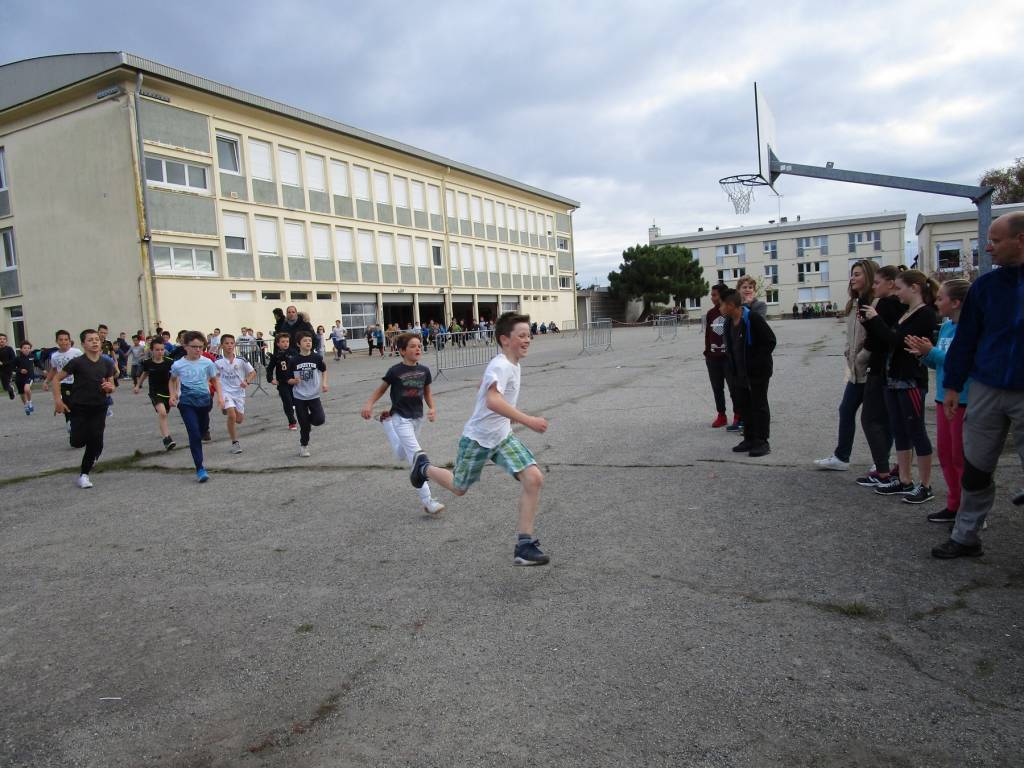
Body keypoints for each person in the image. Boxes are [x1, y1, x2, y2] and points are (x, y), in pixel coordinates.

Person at [409, 312, 551, 566]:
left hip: (501, 437)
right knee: (459, 488)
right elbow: (493, 400)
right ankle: (424, 467)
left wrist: (484, 385)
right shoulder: (502, 365)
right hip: (477, 439)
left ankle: (524, 545)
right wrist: (528, 420)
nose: (527, 340)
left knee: (534, 478)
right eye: (522, 335)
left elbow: (489, 390)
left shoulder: (509, 364)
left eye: (529, 335)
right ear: (505, 339)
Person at [932, 212, 1024, 558]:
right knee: (975, 466)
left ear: (1021, 240)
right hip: (987, 387)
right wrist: (953, 385)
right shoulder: (986, 287)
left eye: (996, 241)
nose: (988, 248)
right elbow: (966, 339)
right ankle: (966, 536)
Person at [861, 269, 940, 504]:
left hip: (910, 380)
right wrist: (871, 324)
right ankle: (904, 479)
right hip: (893, 378)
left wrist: (875, 318)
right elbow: (887, 338)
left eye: (899, 287)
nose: (897, 292)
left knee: (916, 430)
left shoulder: (924, 315)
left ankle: (925, 484)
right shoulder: (906, 313)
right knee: (899, 430)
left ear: (914, 288)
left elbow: (897, 340)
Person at [905, 278, 971, 524]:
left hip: (964, 400)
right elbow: (939, 362)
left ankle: (970, 509)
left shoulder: (970, 329)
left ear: (955, 303)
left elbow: (961, 360)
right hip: (943, 398)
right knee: (945, 454)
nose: (936, 301)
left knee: (962, 457)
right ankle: (954, 505)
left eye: (941, 298)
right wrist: (924, 355)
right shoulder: (945, 328)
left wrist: (931, 352)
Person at [361, 332, 445, 515]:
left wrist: (432, 408)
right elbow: (380, 390)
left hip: (417, 417)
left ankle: (386, 424)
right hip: (400, 416)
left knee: (402, 454)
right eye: (413, 346)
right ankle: (428, 500)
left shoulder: (424, 370)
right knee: (416, 457)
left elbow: (427, 393)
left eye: (419, 345)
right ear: (402, 351)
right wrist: (369, 404)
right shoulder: (395, 371)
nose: (418, 348)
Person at [814, 259, 877, 470]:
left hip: (870, 370)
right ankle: (841, 457)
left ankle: (882, 463)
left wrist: (862, 356)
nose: (853, 278)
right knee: (846, 410)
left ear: (869, 276)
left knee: (873, 418)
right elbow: (852, 335)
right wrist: (848, 353)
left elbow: (876, 337)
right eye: (852, 273)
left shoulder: (875, 304)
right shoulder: (855, 304)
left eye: (858, 274)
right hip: (855, 370)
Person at [855, 265, 904, 487]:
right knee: (886, 420)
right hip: (887, 370)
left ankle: (883, 471)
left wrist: (870, 322)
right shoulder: (902, 306)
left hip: (881, 370)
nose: (874, 287)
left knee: (871, 419)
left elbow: (882, 340)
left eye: (877, 283)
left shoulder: (886, 305)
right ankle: (889, 469)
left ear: (890, 284)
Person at [51, 329, 116, 488]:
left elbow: (111, 385)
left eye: (96, 339)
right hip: (79, 407)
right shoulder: (77, 362)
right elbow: (56, 379)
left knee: (96, 437)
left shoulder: (107, 362)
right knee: (77, 441)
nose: (94, 342)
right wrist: (58, 401)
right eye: (90, 340)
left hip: (99, 406)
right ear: (83, 344)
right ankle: (90, 447)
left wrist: (110, 387)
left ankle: (84, 475)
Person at [720, 288, 776, 457]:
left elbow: (770, 341)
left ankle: (762, 441)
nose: (720, 308)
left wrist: (755, 363)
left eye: (722, 304)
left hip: (757, 372)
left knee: (759, 406)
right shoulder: (728, 322)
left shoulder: (752, 318)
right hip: (739, 372)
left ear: (730, 305)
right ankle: (749, 438)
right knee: (745, 406)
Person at [169, 331, 222, 483]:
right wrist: (172, 395)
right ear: (185, 346)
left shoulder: (207, 363)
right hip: (186, 403)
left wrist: (221, 398)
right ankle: (200, 468)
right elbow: (172, 380)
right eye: (194, 347)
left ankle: (204, 429)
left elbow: (215, 380)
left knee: (202, 428)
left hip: (204, 401)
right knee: (194, 434)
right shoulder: (178, 364)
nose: (198, 350)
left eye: (200, 347)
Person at [286, 330, 328, 457]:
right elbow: (288, 379)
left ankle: (305, 421)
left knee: (320, 419)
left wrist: (324, 383)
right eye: (305, 340)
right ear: (298, 344)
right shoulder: (294, 360)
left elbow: (324, 370)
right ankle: (304, 446)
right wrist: (294, 380)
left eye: (309, 340)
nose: (308, 342)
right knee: (304, 426)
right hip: (299, 396)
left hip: (314, 394)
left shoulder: (317, 358)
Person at [703, 283, 737, 429]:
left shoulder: (729, 312)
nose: (712, 298)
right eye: (711, 295)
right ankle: (721, 415)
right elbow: (708, 335)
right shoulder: (710, 313)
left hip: (727, 358)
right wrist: (707, 352)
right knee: (717, 388)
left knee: (733, 388)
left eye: (714, 295)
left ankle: (738, 415)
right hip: (712, 358)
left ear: (722, 297)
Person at [216, 334, 256, 454]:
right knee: (232, 416)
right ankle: (235, 443)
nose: (229, 345)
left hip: (238, 393)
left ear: (235, 345)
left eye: (231, 343)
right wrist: (218, 394)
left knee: (239, 419)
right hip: (225, 392)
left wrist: (246, 381)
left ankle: (227, 409)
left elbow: (253, 372)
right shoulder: (218, 362)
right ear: (222, 345)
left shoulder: (241, 360)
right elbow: (215, 378)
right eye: (227, 343)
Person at [134, 336, 176, 450]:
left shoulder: (169, 362)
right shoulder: (147, 363)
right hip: (155, 392)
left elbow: (175, 378)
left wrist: (175, 392)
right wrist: (138, 385)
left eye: (162, 349)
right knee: (162, 413)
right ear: (151, 350)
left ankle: (166, 436)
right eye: (157, 350)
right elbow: (145, 373)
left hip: (167, 392)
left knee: (165, 413)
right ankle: (167, 439)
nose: (160, 352)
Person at [43, 329, 82, 436]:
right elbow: (54, 370)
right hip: (64, 384)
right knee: (67, 405)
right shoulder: (55, 356)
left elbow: (84, 366)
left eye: (66, 339)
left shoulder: (77, 352)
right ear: (57, 341)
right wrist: (46, 381)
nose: (64, 342)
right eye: (61, 340)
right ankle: (69, 422)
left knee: (79, 405)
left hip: (77, 383)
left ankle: (79, 424)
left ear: (70, 340)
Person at [266, 332, 297, 430]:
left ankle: (301, 415)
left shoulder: (294, 353)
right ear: (278, 343)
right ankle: (292, 422)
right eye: (283, 342)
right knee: (287, 402)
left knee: (295, 401)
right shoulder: (276, 356)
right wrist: (271, 379)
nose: (285, 343)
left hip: (294, 382)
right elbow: (270, 368)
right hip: (283, 383)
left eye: (287, 341)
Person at [14, 340, 35, 415]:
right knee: (22, 394)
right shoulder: (17, 358)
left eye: (28, 348)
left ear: (30, 349)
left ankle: (30, 402)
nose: (26, 349)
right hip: (19, 378)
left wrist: (44, 370)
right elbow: (13, 367)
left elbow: (38, 363)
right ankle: (26, 405)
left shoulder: (32, 357)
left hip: (29, 377)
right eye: (24, 348)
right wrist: (20, 370)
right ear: (21, 349)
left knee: (27, 389)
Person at [0, 332, 15, 399]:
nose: (2, 340)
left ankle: (10, 389)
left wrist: (3, 363)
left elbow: (13, 360)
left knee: (6, 387)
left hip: (6, 370)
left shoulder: (9, 349)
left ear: (6, 341)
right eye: (0, 339)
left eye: (4, 339)